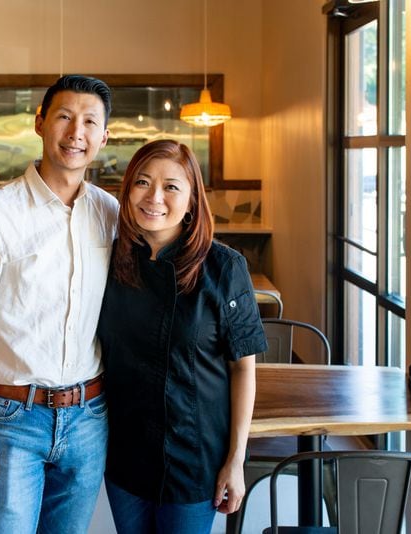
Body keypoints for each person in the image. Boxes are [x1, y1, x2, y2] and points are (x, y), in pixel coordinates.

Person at [0, 75, 118, 533]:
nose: (75, 133)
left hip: (89, 417)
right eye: (63, 116)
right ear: (40, 122)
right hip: (11, 420)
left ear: (104, 137)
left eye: (89, 122)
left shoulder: (111, 215)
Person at [97, 139, 266, 534]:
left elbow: (243, 370)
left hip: (195, 458)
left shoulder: (223, 267)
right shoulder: (110, 261)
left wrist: (235, 460)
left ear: (192, 201)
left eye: (171, 186)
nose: (154, 197)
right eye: (142, 182)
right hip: (126, 453)